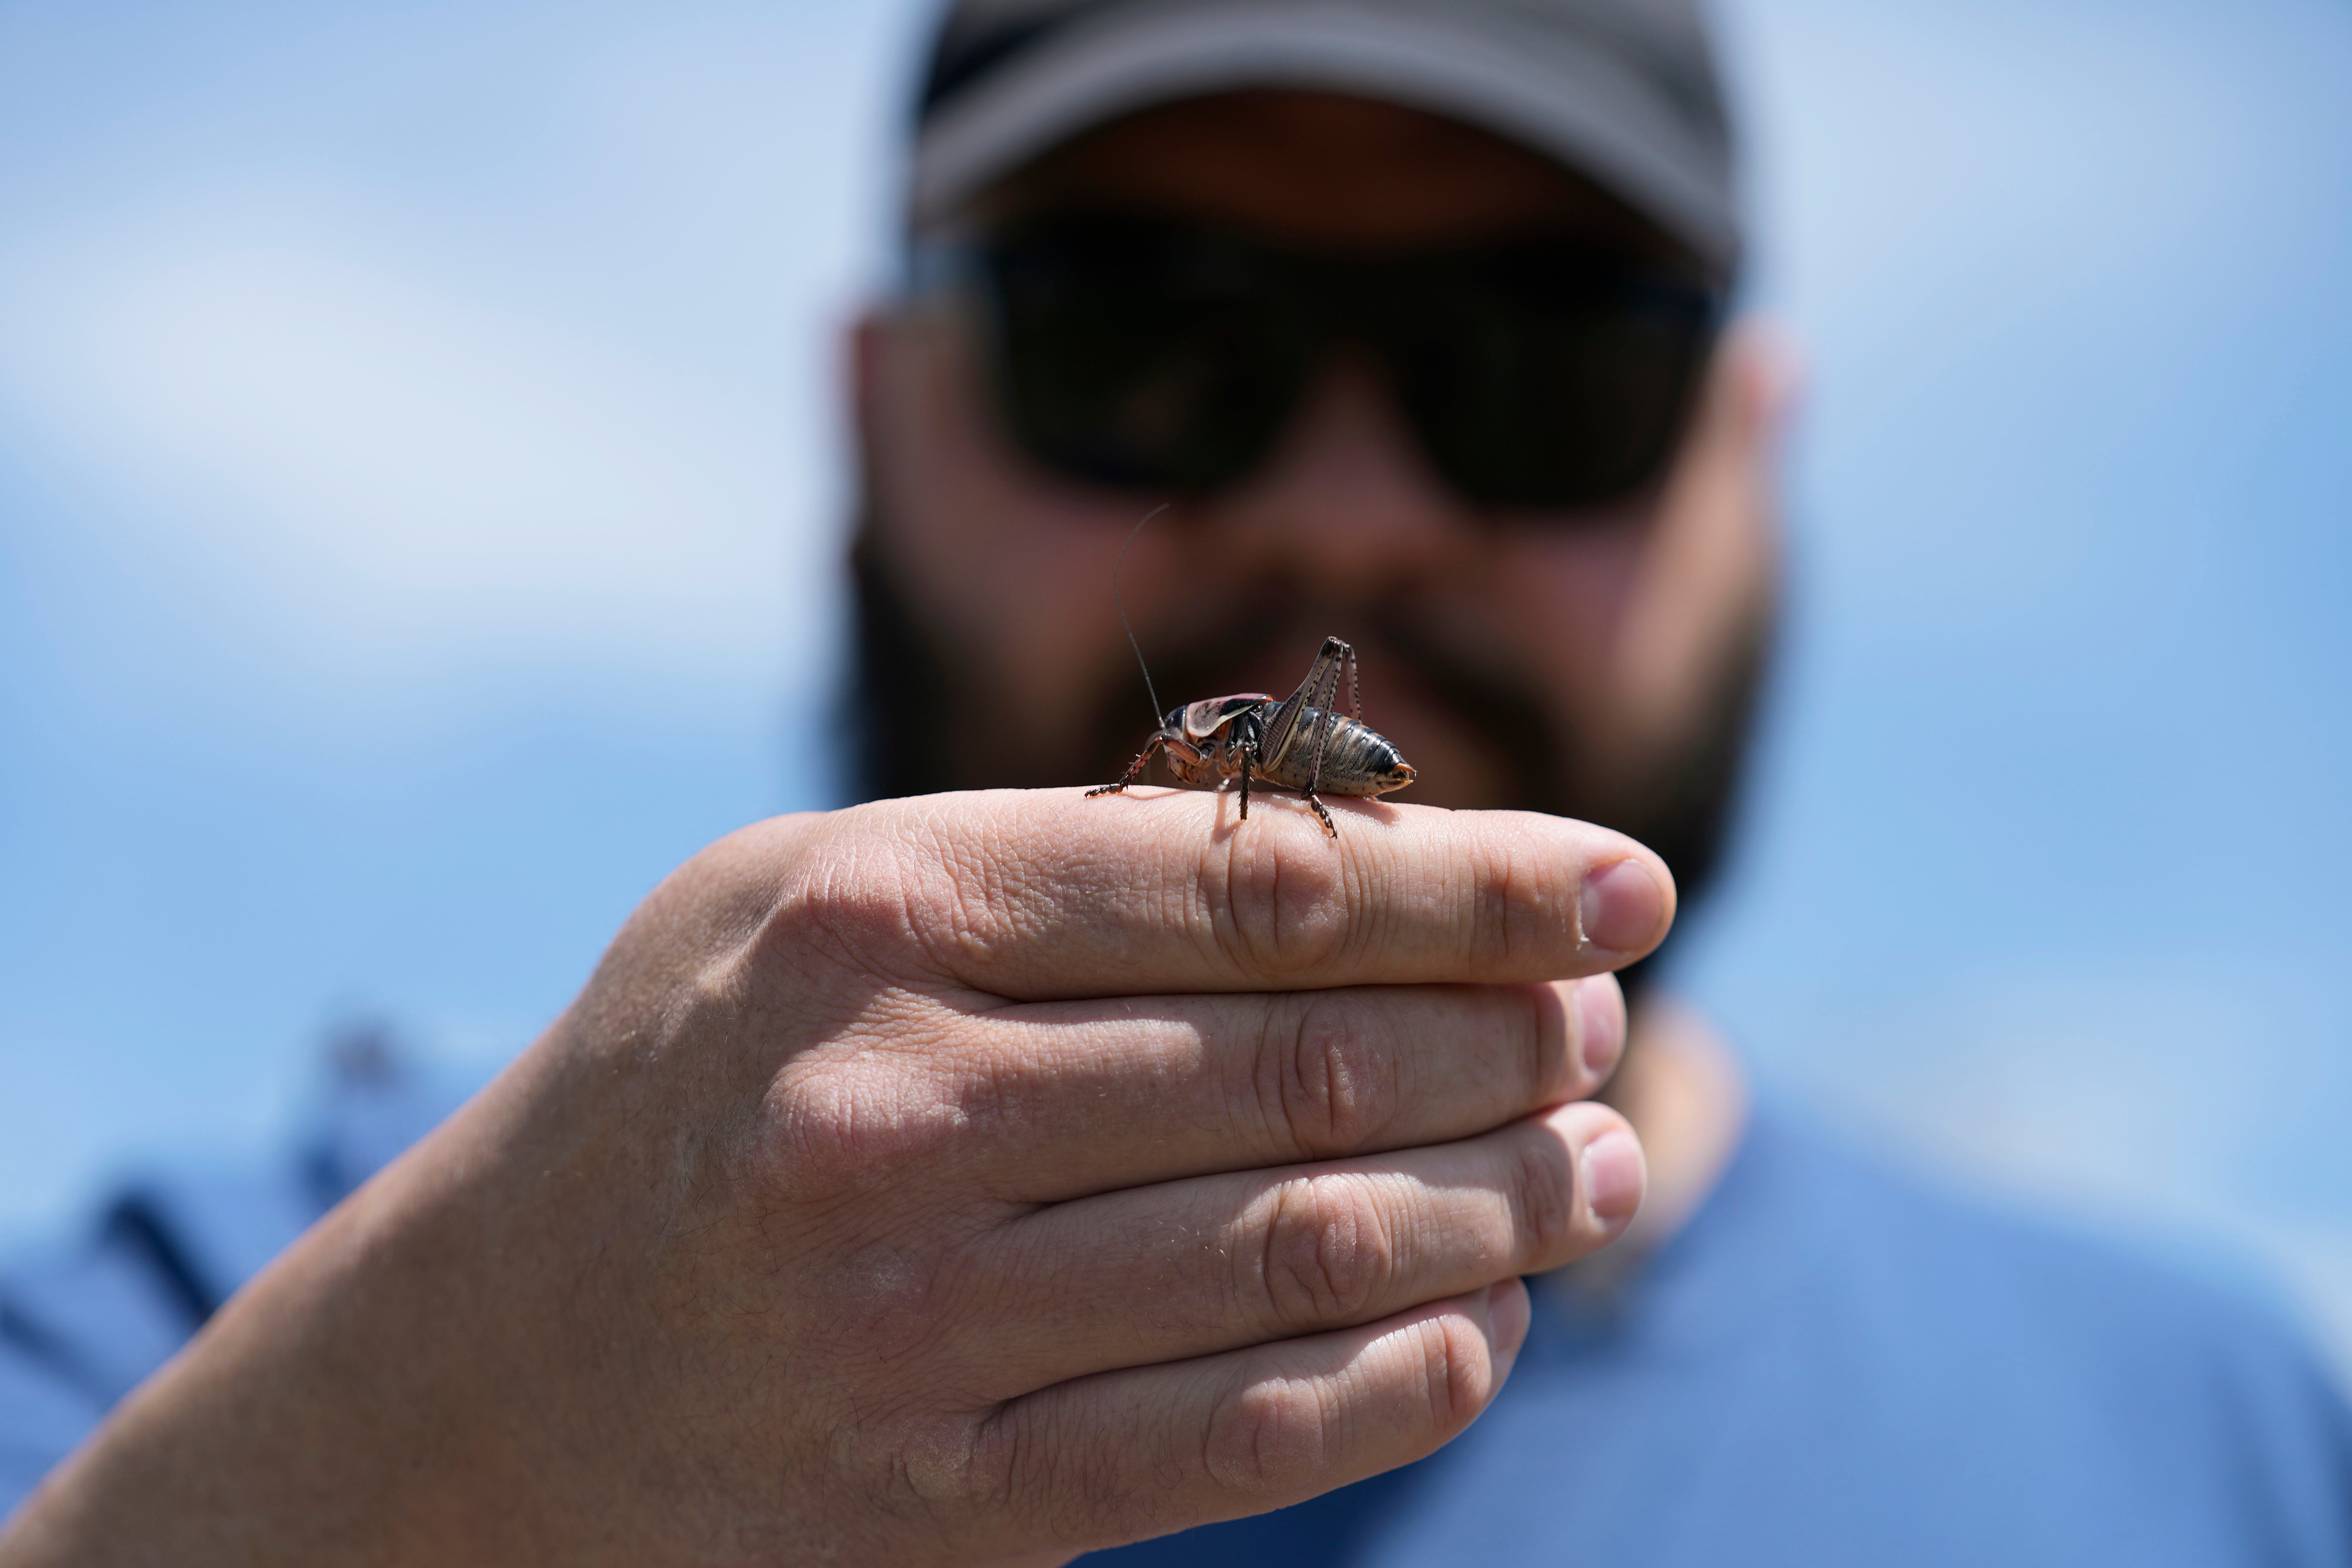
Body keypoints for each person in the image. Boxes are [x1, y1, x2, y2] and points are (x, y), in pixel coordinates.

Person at [3, 0, 2348, 1561]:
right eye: (1141, 343)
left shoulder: (2233, 1443)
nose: (1342, 506)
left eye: (1540, 366)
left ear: (1751, 451)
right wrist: (439, 1433)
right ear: (876, 414)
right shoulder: (226, 1318)